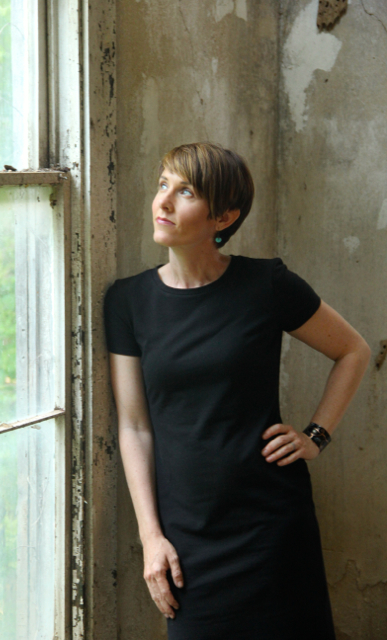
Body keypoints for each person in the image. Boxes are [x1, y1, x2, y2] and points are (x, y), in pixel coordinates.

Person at [104, 142, 371, 640]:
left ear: (224, 216)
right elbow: (135, 426)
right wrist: (151, 537)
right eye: (163, 185)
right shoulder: (128, 301)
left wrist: (316, 435)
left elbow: (353, 351)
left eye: (186, 192)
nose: (163, 201)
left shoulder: (265, 284)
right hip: (187, 539)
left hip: (272, 528)